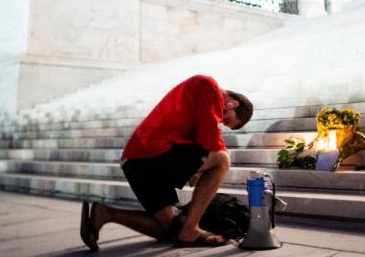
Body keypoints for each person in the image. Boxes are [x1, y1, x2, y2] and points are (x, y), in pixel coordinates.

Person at [79, 74, 253, 250]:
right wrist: (200, 167)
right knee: (223, 159)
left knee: (172, 230)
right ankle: (191, 229)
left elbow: (200, 139)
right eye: (227, 119)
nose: (221, 121)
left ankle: (106, 213)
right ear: (232, 104)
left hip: (137, 161)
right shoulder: (208, 85)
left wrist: (197, 168)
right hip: (150, 153)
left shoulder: (200, 101)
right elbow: (209, 139)